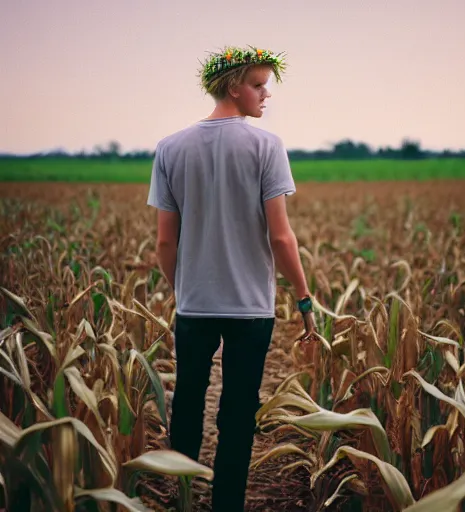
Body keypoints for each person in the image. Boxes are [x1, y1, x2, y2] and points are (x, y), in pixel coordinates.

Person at [146, 45, 316, 512]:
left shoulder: (171, 147)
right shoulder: (267, 147)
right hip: (251, 309)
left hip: (194, 304)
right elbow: (281, 238)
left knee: (187, 406)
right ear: (234, 87)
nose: (266, 95)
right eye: (260, 86)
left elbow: (165, 242)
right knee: (239, 414)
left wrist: (184, 289)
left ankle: (181, 497)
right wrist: (304, 299)